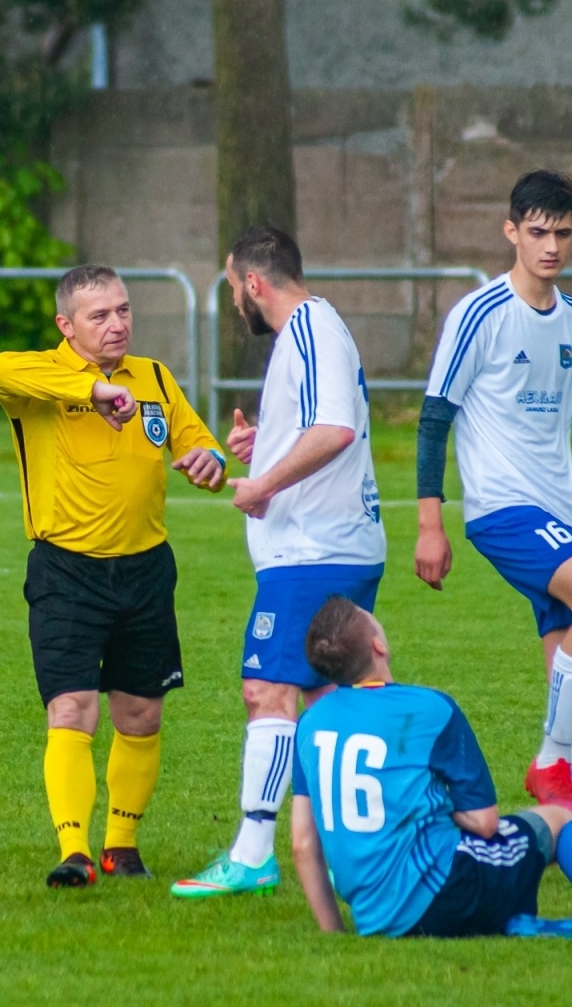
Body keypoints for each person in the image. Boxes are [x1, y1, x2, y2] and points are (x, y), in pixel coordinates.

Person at [414, 170, 572, 822]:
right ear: (512, 232)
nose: (551, 246)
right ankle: (549, 760)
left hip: (563, 514)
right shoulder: (480, 314)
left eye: (562, 233)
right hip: (503, 509)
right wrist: (430, 526)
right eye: (537, 232)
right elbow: (435, 418)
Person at [289, 596, 572, 940]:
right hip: (446, 891)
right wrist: (433, 806)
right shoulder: (429, 708)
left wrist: (335, 934)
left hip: (378, 920)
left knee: (489, 856)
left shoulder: (310, 725)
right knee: (557, 820)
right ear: (378, 644)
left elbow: (303, 843)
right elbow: (484, 822)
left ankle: (519, 924)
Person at [0, 265, 226, 888]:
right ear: (66, 325)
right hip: (67, 570)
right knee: (71, 708)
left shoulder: (154, 378)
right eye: (99, 315)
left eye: (123, 310)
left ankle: (122, 845)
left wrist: (211, 460)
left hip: (146, 570)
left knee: (141, 713)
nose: (117, 324)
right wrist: (90, 390)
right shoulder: (40, 379)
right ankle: (74, 851)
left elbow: (198, 443)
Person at [172, 225, 385, 900]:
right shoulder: (311, 331)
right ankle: (349, 848)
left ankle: (253, 853)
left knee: (266, 691)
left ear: (252, 283)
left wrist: (263, 483)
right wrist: (265, 443)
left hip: (313, 551)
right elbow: (319, 423)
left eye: (232, 286)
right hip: (327, 546)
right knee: (322, 700)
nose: (234, 299)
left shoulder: (311, 330)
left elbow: (335, 429)